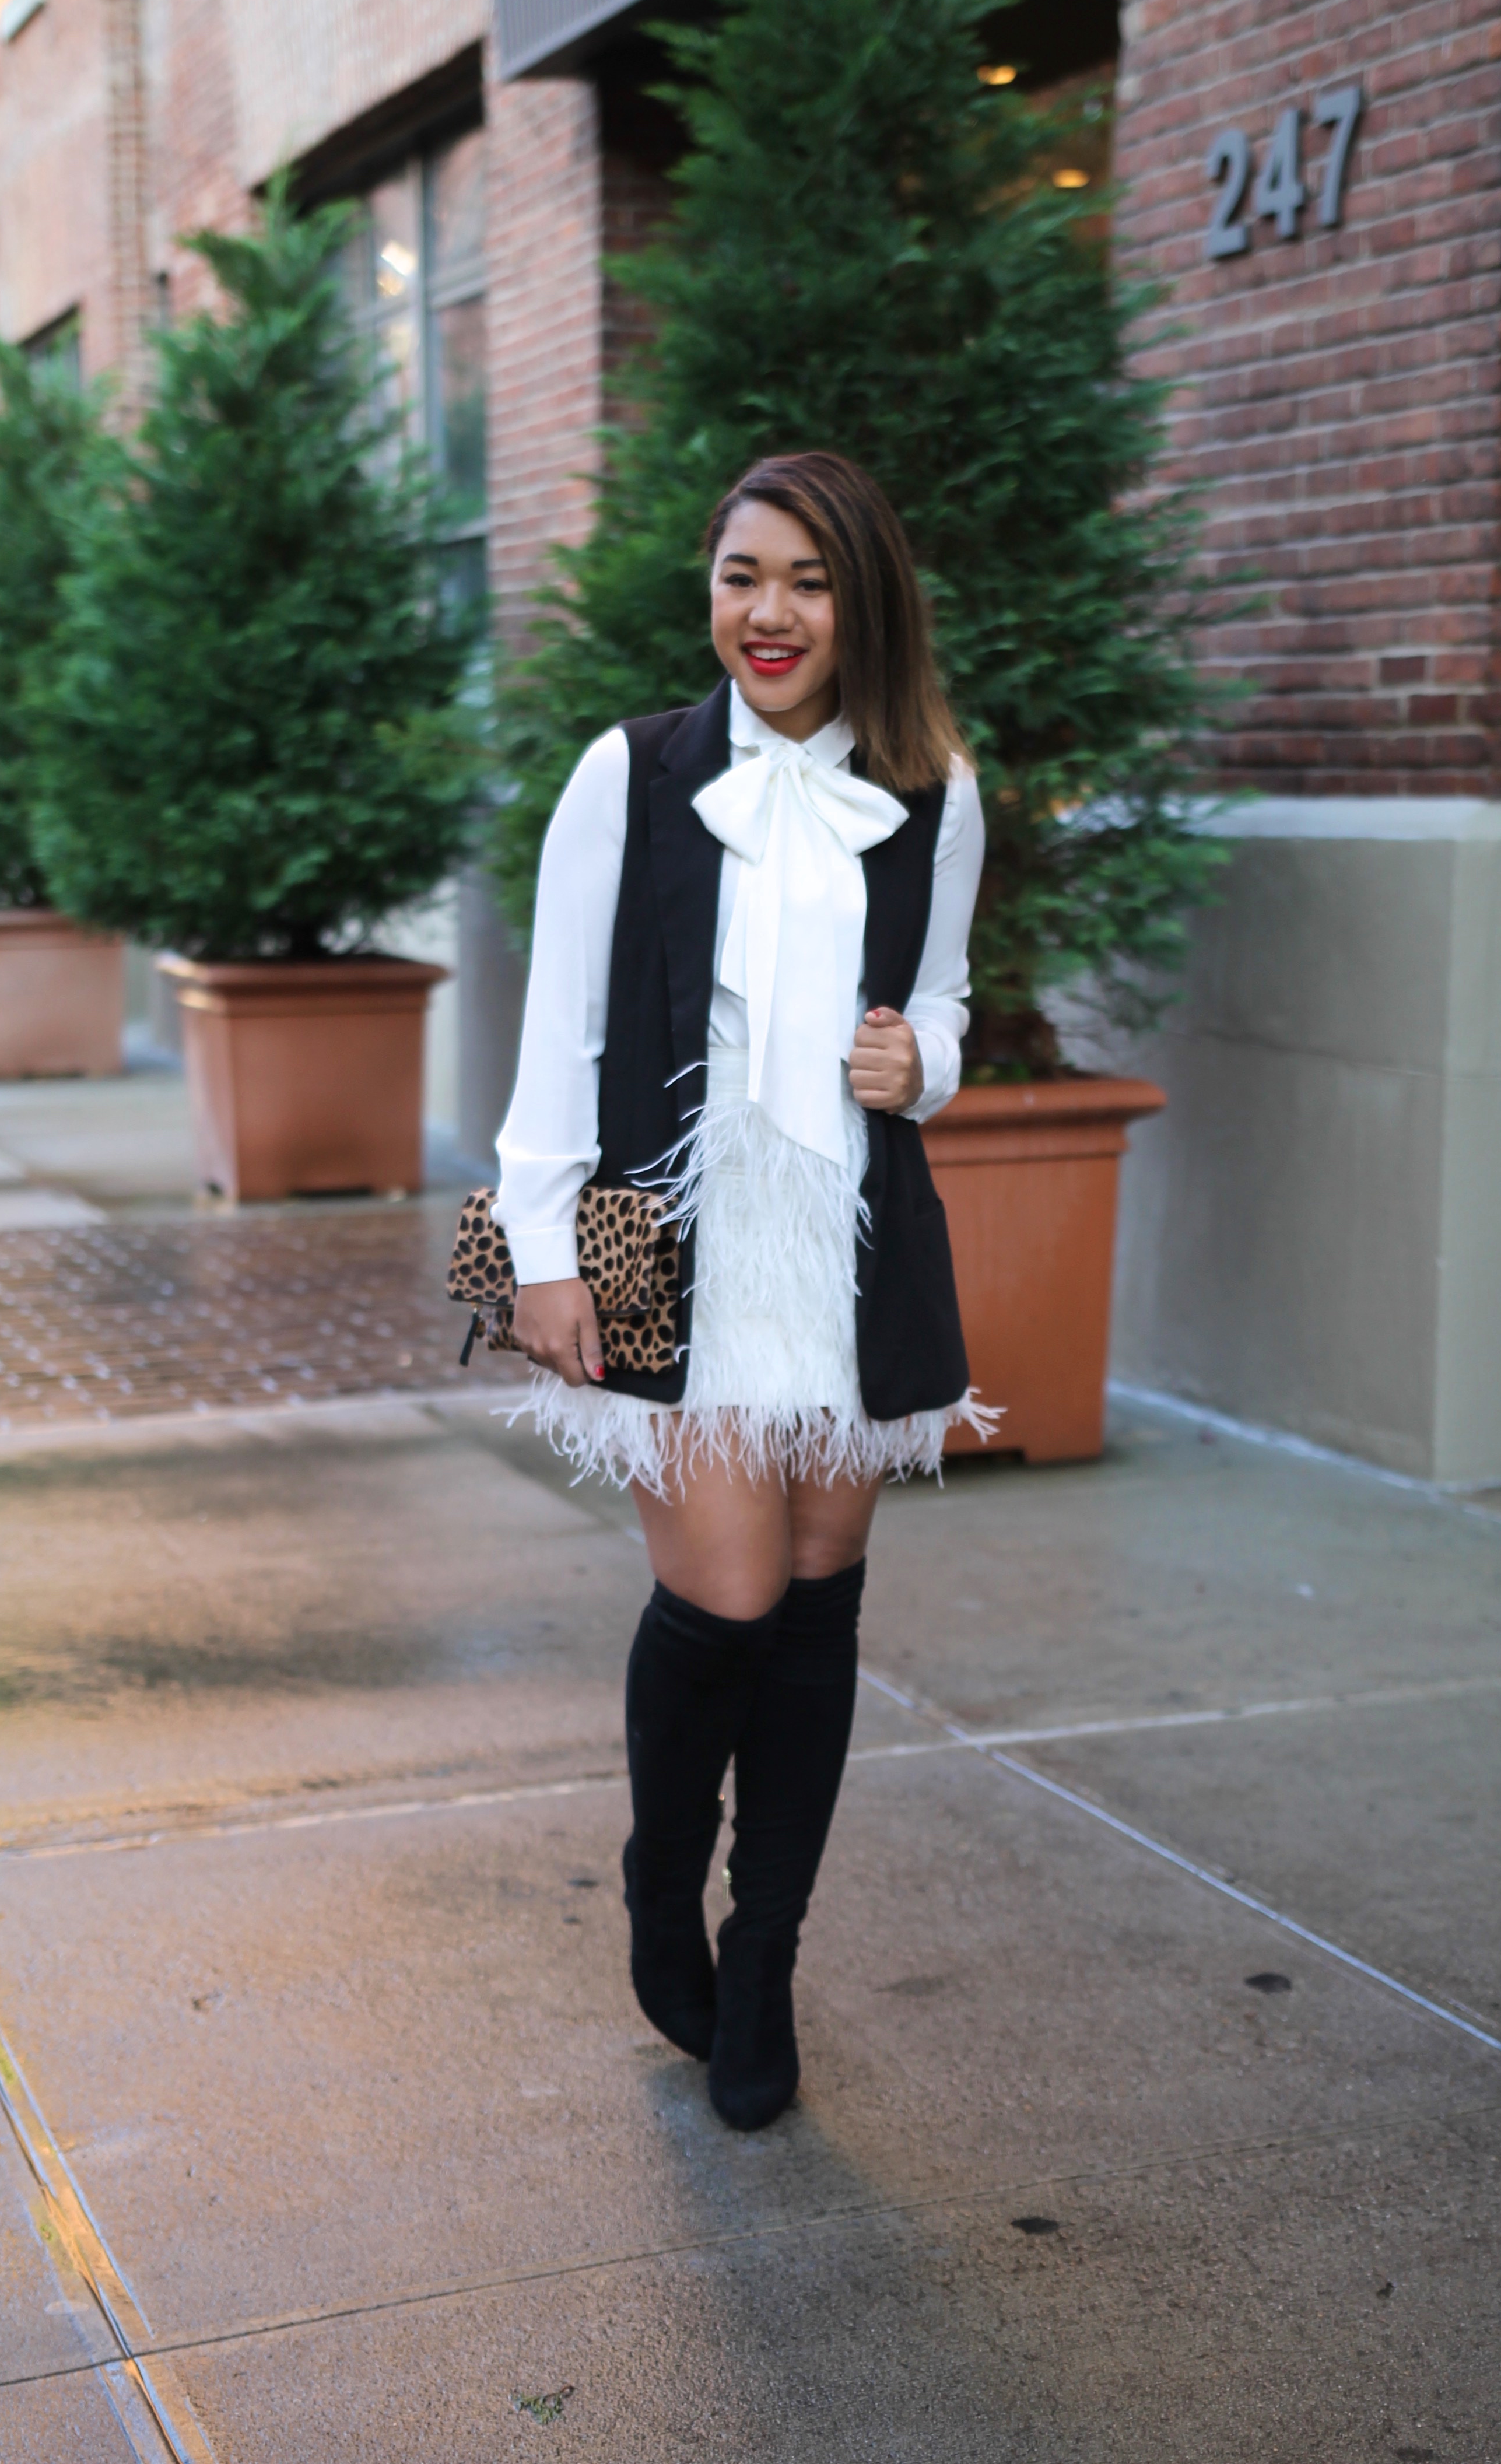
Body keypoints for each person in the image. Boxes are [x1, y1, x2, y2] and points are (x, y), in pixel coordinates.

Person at [495, 450, 988, 2130]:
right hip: (672, 1240)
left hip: (844, 1242)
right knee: (724, 1601)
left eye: (807, 581)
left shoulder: (934, 787)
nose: (766, 615)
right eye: (740, 577)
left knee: (820, 1599)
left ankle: (765, 1949)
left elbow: (949, 1008)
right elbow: (558, 1024)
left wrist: (917, 1061)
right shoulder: (627, 776)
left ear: (865, 603)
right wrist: (542, 1254)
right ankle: (659, 1885)